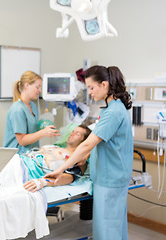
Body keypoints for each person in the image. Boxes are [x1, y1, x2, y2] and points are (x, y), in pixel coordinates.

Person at [45, 65, 133, 240]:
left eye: (92, 88)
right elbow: (102, 144)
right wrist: (85, 156)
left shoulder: (113, 112)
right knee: (115, 228)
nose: (90, 93)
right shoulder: (112, 109)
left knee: (107, 231)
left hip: (110, 180)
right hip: (111, 177)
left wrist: (61, 168)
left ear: (104, 85)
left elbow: (86, 145)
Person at [3, 71, 59, 154]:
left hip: (31, 153)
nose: (40, 90)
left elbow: (31, 129)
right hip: (17, 156)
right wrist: (43, 132)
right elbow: (22, 140)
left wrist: (44, 126)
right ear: (27, 85)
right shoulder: (17, 110)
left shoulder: (32, 106)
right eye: (37, 87)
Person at [22, 125, 91, 192]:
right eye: (73, 131)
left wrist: (43, 182)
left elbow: (70, 177)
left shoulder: (78, 159)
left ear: (84, 141)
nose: (72, 134)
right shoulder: (56, 147)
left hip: (28, 169)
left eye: (77, 134)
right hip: (22, 159)